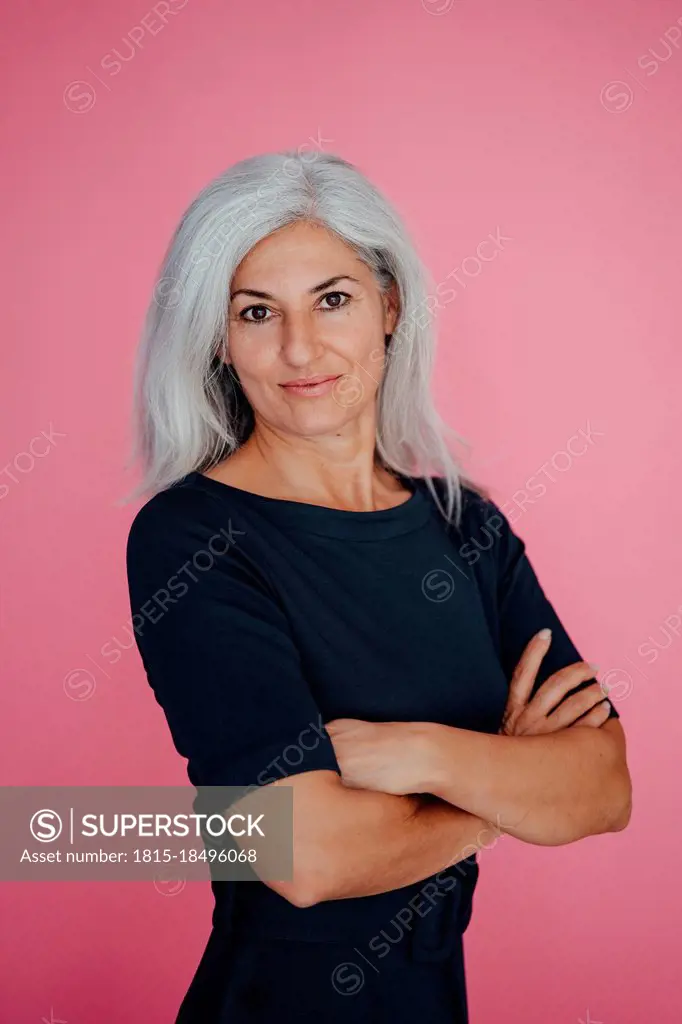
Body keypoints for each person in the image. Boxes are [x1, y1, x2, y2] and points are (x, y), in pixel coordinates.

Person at [124, 150, 632, 1023]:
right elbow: (307, 857)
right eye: (257, 311)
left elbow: (603, 788)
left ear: (389, 307)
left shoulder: (464, 525)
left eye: (333, 299)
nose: (300, 348)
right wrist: (500, 792)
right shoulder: (191, 539)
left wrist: (420, 754)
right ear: (218, 336)